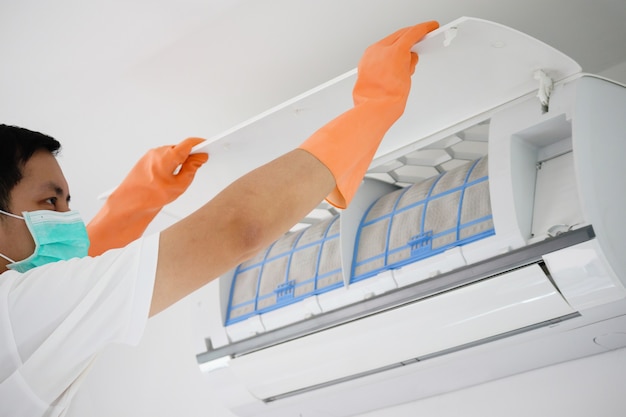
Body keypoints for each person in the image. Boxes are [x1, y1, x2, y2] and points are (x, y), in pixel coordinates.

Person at [0, 21, 439, 416]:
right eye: (49, 203)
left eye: (67, 202)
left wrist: (134, 204)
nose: (69, 220)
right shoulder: (15, 312)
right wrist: (370, 114)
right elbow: (237, 226)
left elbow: (77, 283)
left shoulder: (25, 312)